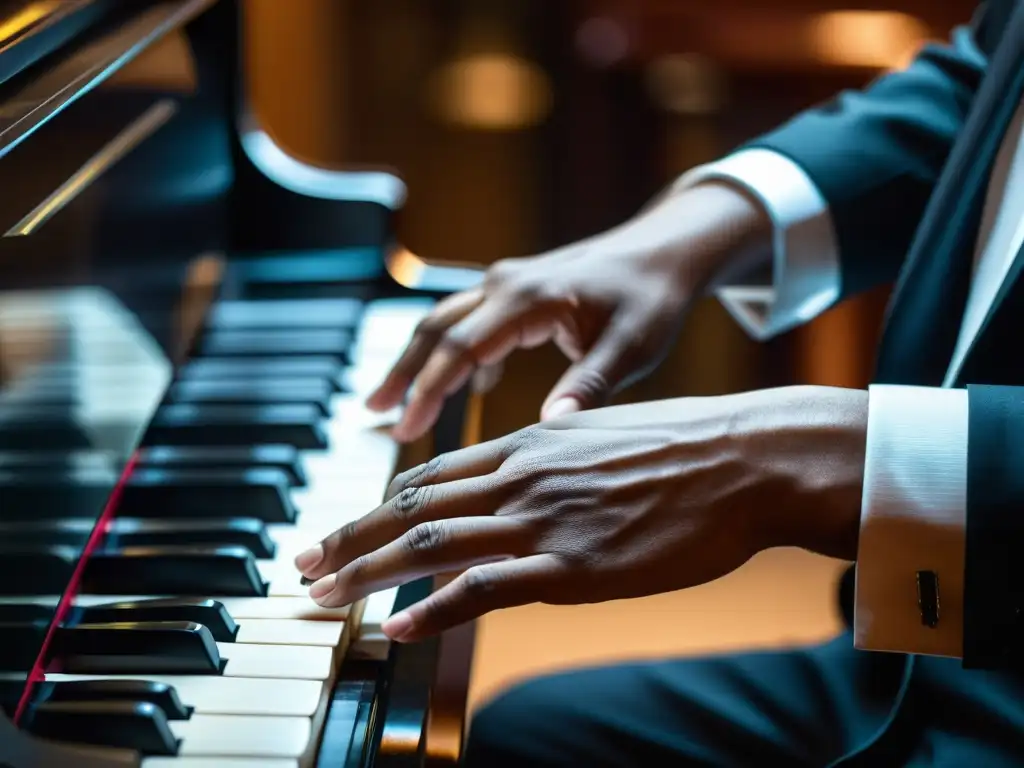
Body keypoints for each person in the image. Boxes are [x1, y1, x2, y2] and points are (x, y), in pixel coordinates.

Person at [294, 0, 1024, 763]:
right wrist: (688, 231)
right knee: (531, 737)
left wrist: (810, 456)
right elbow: (987, 76)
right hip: (927, 660)